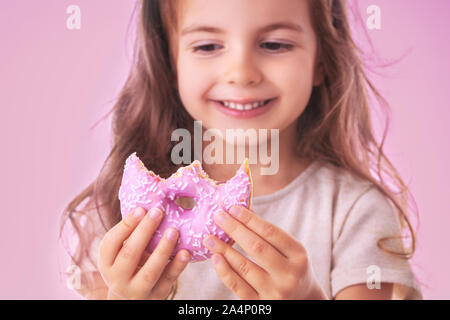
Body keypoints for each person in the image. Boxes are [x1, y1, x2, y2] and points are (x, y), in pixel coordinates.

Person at [59, 0, 422, 300]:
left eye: (274, 44)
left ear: (322, 59)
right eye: (207, 46)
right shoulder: (121, 213)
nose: (241, 72)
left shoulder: (354, 213)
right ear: (170, 63)